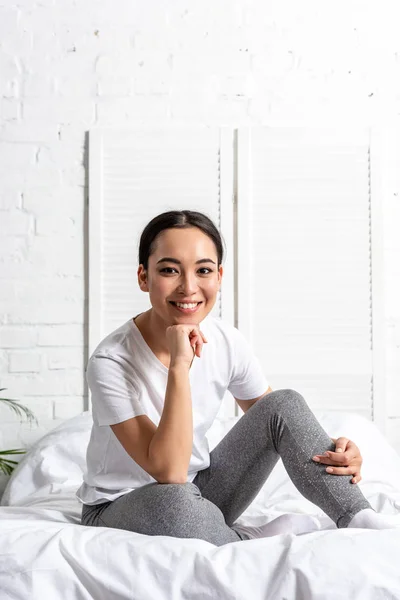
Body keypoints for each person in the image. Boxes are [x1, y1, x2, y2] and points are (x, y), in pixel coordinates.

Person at [77, 209, 398, 546]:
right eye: (170, 270)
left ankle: (357, 518)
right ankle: (243, 538)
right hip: (121, 505)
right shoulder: (110, 361)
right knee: (175, 500)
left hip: (200, 489)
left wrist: (335, 452)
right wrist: (179, 367)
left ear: (218, 276)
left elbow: (278, 419)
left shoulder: (225, 340)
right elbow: (169, 472)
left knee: (285, 401)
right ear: (144, 277)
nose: (188, 287)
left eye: (203, 270)